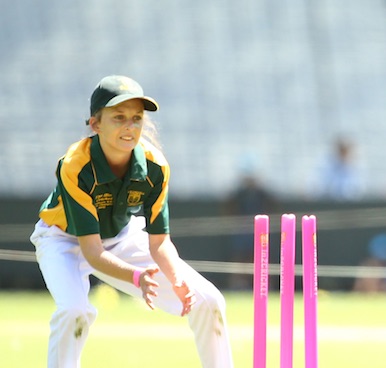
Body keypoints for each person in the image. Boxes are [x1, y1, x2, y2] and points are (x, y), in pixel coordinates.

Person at [30, 75, 233, 367]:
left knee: (209, 301)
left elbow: (160, 242)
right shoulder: (75, 165)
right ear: (95, 124)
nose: (130, 127)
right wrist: (137, 278)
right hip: (62, 239)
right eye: (119, 118)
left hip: (121, 237)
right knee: (74, 311)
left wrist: (175, 278)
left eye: (136, 118)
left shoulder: (155, 166)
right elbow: (92, 251)